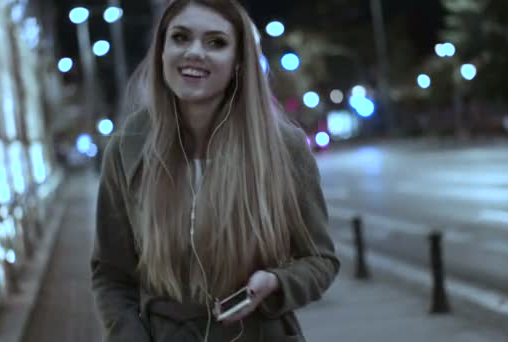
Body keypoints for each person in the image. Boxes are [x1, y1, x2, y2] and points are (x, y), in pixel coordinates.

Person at [90, 0, 340, 341]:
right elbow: (111, 274)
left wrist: (276, 284)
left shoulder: (283, 146)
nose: (195, 52)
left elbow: (320, 259)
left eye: (216, 43)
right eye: (180, 38)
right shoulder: (127, 149)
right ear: (162, 51)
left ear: (239, 62)